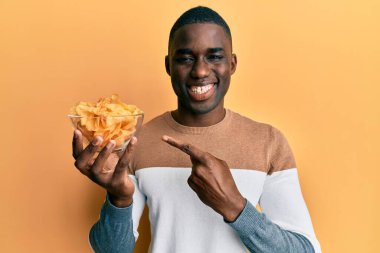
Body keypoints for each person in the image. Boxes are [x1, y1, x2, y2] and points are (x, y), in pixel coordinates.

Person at [72, 6, 321, 253]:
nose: (200, 71)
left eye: (214, 57)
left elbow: (305, 250)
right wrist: (119, 200)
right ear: (169, 66)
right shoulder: (137, 141)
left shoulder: (269, 143)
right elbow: (111, 250)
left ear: (232, 64)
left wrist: (235, 207)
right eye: (186, 58)